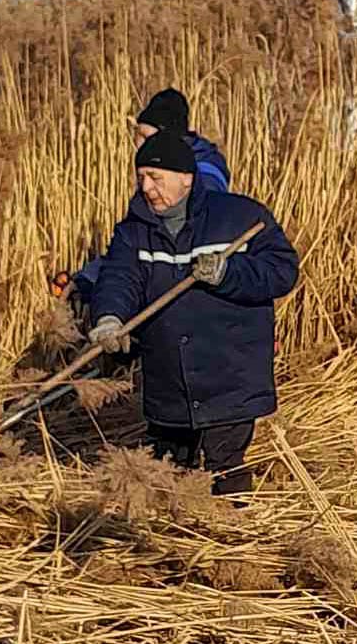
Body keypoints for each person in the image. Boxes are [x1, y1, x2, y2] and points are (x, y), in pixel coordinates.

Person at [87, 127, 299, 496]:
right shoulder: (134, 231)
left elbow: (282, 271)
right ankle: (173, 547)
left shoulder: (238, 217)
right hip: (168, 382)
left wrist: (228, 273)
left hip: (229, 377)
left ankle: (231, 542)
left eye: (156, 177)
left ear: (186, 178)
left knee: (225, 474)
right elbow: (119, 278)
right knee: (167, 477)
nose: (147, 187)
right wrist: (110, 317)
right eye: (141, 178)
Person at [63, 88, 231, 307]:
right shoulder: (153, 176)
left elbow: (164, 240)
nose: (138, 145)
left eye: (145, 136)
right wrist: (86, 279)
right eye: (137, 135)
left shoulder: (201, 176)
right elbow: (134, 238)